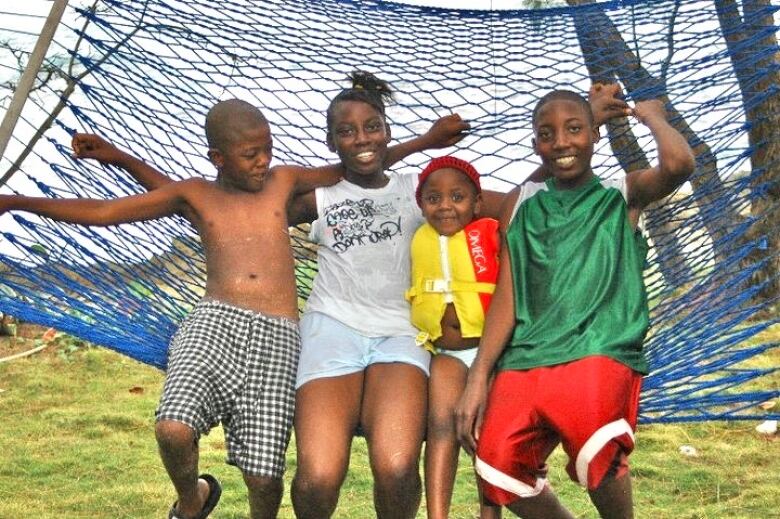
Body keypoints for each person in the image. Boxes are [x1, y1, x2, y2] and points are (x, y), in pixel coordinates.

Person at [1, 99, 347, 519]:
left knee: (263, 477)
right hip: (216, 319)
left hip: (279, 335)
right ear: (218, 159)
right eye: (251, 154)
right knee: (173, 429)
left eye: (267, 150)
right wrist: (18, 201)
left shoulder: (280, 184)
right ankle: (191, 500)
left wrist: (424, 142)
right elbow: (107, 212)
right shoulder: (197, 195)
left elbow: (353, 169)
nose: (263, 161)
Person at [456, 90, 696, 519]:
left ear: (594, 137)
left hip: (597, 348)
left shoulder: (620, 193)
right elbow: (507, 296)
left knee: (596, 446)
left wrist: (654, 117)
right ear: (535, 145)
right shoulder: (523, 205)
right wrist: (479, 376)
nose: (562, 143)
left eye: (574, 130)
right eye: (547, 134)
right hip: (526, 356)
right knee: (495, 466)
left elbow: (679, 165)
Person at [408, 155, 502, 519]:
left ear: (477, 202)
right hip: (444, 353)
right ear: (421, 205)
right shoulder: (418, 238)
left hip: (487, 352)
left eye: (457, 197)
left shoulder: (492, 232)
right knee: (442, 427)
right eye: (433, 199)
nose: (445, 205)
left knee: (485, 434)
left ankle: (489, 514)